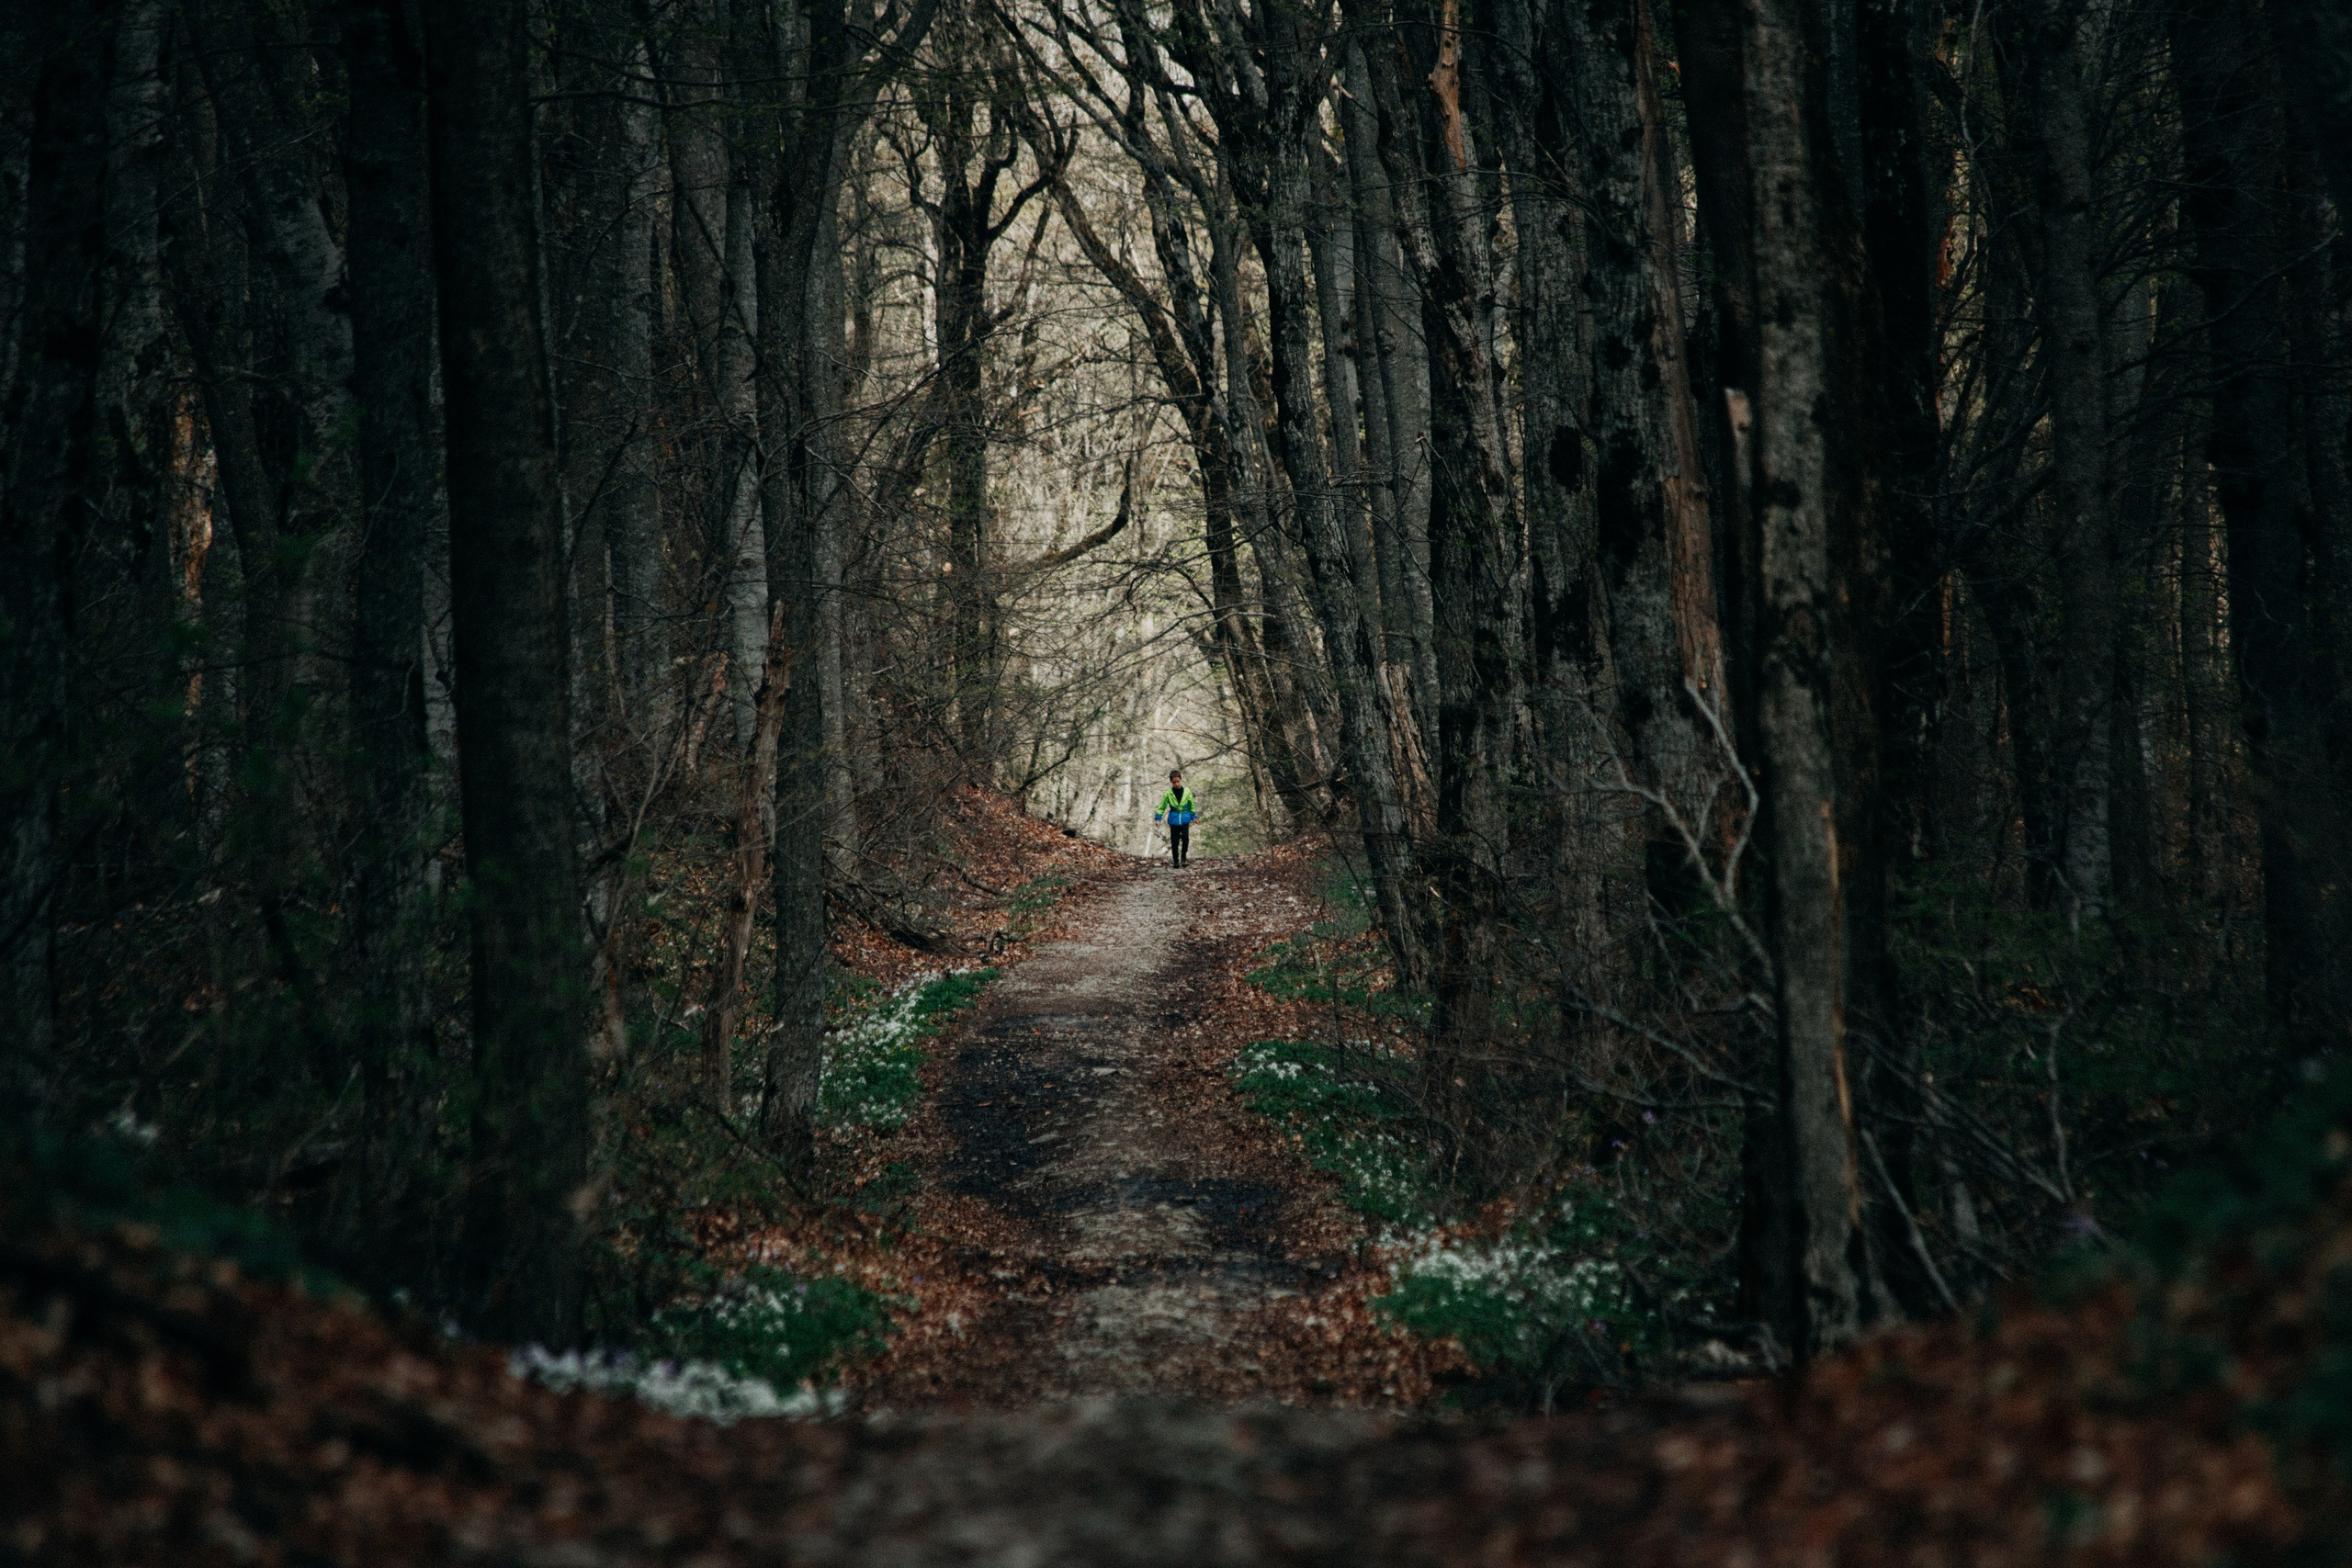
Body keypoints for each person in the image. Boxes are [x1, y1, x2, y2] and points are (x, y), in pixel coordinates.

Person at [1154, 768, 1197, 868]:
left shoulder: (1187, 791)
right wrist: (1158, 818)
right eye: (1174, 782)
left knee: (1185, 838)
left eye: (1178, 781)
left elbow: (1191, 805)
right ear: (1171, 782)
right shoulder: (1168, 793)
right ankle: (1176, 861)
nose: (1176, 784)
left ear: (1180, 780)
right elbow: (1162, 806)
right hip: (1174, 819)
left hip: (1185, 818)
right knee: (1174, 841)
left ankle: (1184, 858)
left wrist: (1193, 817)